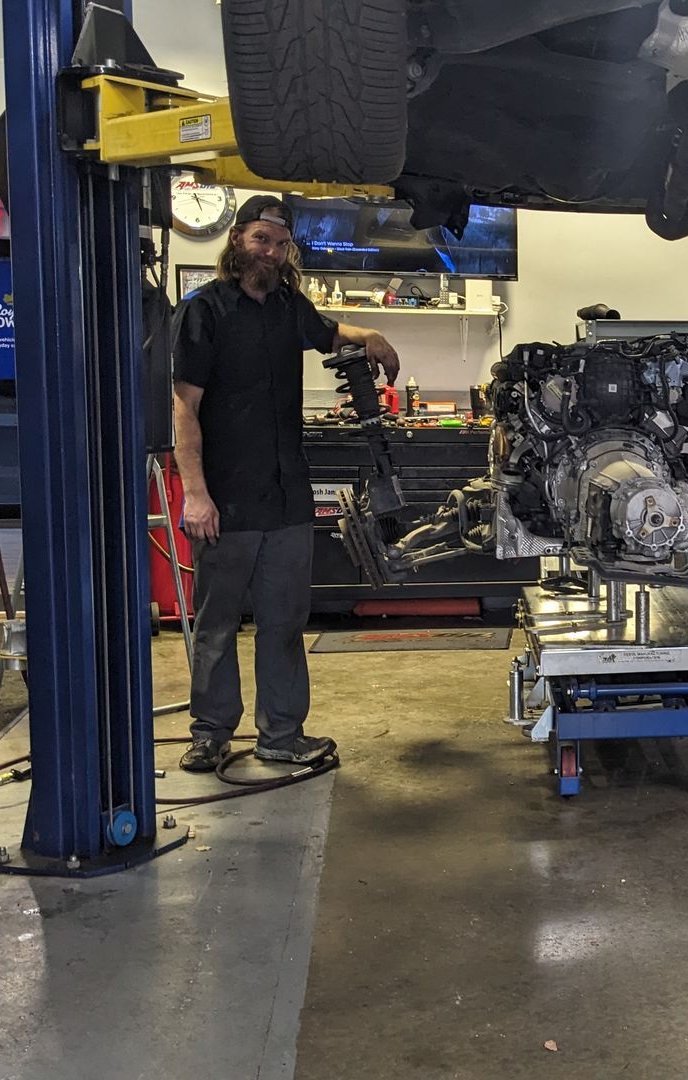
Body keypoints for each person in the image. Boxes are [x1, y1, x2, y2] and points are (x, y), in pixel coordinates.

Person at [171, 195, 400, 772]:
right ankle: (211, 732)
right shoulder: (204, 311)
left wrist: (368, 333)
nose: (269, 252)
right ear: (238, 241)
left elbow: (328, 330)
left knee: (284, 622)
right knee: (218, 623)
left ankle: (280, 735)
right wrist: (194, 493)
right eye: (260, 240)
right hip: (225, 497)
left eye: (279, 243)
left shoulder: (285, 306)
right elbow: (183, 410)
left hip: (287, 496)